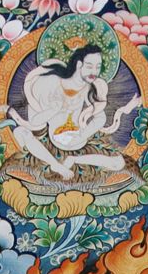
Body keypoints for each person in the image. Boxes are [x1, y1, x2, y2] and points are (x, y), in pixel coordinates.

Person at [8, 44, 140, 182]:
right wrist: (53, 110)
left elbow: (100, 118)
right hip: (52, 141)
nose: (94, 72)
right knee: (20, 133)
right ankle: (55, 165)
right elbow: (35, 121)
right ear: (79, 64)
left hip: (79, 142)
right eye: (89, 66)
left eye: (98, 67)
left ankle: (75, 159)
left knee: (119, 163)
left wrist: (81, 136)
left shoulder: (90, 88)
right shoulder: (52, 82)